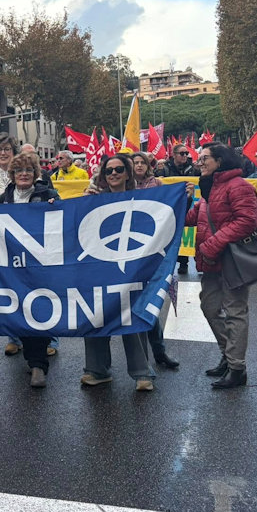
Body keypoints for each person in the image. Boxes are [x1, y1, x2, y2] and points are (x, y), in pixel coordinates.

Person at [185, 143, 257, 390]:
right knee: (209, 307)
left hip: (232, 260)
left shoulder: (239, 186)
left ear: (220, 160)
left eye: (204, 158)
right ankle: (228, 356)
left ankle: (237, 368)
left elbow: (248, 221)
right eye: (199, 158)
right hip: (211, 262)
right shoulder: (209, 189)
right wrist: (183, 200)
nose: (200, 162)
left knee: (235, 311)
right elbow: (191, 218)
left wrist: (212, 245)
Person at [80, 155, 158, 391]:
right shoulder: (92, 199)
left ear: (128, 174)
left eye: (119, 169)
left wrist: (183, 197)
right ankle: (97, 370)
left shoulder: (144, 200)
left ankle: (143, 373)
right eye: (109, 170)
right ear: (103, 175)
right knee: (95, 318)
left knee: (131, 320)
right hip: (98, 271)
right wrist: (83, 203)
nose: (113, 173)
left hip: (131, 271)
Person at [0, 151, 59, 387]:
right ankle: (32, 357)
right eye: (19, 170)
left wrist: (56, 206)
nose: (24, 174)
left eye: (29, 170)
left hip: (40, 268)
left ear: (35, 174)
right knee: (20, 313)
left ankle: (38, 365)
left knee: (39, 313)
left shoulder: (48, 195)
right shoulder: (3, 201)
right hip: (13, 270)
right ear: (12, 174)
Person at [131, 152, 179, 370]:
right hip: (129, 253)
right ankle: (138, 360)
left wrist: (184, 197)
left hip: (152, 252)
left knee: (149, 303)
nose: (139, 166)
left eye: (142, 162)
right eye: (135, 163)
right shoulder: (123, 186)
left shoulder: (157, 184)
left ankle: (159, 352)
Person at [162, 145, 196, 275]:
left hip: (188, 205)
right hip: (171, 206)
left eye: (186, 153)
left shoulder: (192, 169)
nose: (185, 156)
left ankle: (184, 262)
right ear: (174, 154)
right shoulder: (165, 169)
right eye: (182, 153)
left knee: (187, 231)